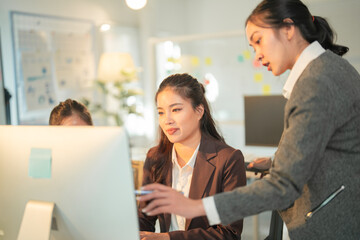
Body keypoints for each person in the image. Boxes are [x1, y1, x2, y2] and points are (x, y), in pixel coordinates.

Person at [138, 0, 360, 239]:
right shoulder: (329, 70)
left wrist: (196, 206)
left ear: (288, 28)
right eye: (161, 111)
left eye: (258, 40)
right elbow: (328, 143)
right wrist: (278, 160)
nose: (257, 56)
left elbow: (282, 187)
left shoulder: (316, 82)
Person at [138, 73, 246, 240]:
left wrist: (168, 238)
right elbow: (144, 219)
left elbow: (229, 234)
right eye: (160, 112)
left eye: (176, 110)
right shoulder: (155, 157)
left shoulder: (229, 159)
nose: (167, 120)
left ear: (199, 111)